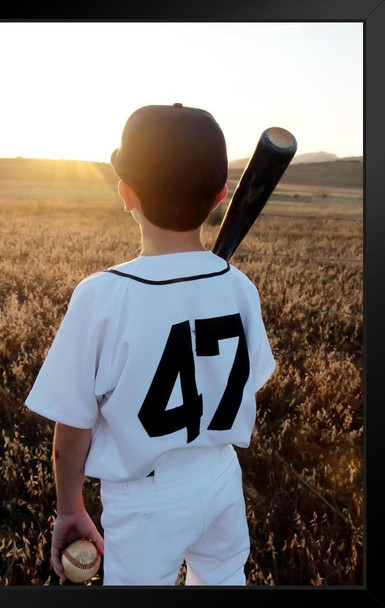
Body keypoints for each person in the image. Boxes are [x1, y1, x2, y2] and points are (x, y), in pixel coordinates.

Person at [25, 102, 276, 586]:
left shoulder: (101, 295)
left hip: (144, 499)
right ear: (222, 196)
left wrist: (69, 506)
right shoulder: (240, 287)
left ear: (126, 193)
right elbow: (248, 381)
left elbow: (74, 427)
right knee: (224, 579)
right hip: (222, 478)